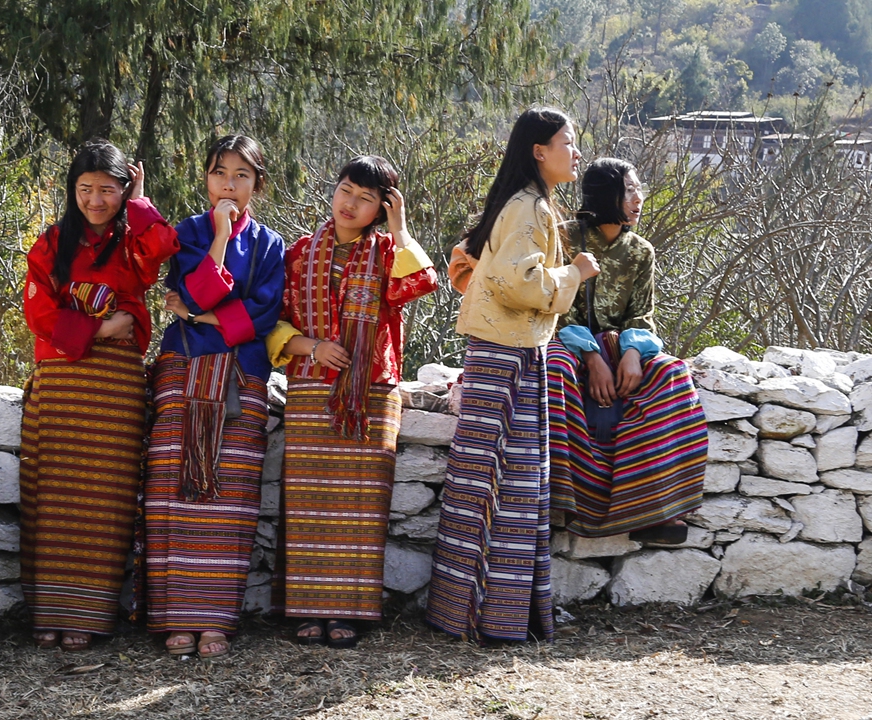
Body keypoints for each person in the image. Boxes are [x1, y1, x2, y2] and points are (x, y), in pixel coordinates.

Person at [427, 107, 599, 644]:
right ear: (539, 151)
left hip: (502, 353)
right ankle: (491, 617)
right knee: (509, 485)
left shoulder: (524, 203)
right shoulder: (530, 207)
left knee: (487, 481)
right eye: (567, 141)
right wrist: (575, 272)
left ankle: (471, 613)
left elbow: (480, 267)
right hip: (509, 356)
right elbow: (519, 283)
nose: (576, 152)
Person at [266, 155, 438, 648]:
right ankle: (307, 608)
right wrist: (313, 347)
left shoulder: (387, 252)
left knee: (362, 503)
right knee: (310, 503)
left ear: (381, 209)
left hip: (371, 391)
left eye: (366, 198)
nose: (351, 203)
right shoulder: (299, 252)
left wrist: (400, 229)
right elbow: (274, 319)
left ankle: (350, 610)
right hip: (309, 385)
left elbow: (421, 283)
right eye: (346, 190)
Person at [20, 140, 179, 651]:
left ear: (123, 190)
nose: (95, 200)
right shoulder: (51, 243)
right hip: (62, 382)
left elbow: (162, 249)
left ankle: (89, 615)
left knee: (105, 499)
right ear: (72, 190)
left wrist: (141, 201)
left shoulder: (132, 242)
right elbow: (38, 314)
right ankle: (49, 611)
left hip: (115, 387)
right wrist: (103, 327)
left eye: (108, 190)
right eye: (85, 188)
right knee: (54, 497)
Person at [144, 135, 285, 658]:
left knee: (230, 499)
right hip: (182, 370)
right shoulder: (187, 233)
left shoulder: (271, 246)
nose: (229, 184)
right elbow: (197, 289)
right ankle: (175, 619)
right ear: (206, 178)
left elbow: (262, 317)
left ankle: (215, 619)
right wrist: (221, 238)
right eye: (219, 173)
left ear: (257, 185)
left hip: (243, 378)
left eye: (241, 175)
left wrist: (200, 316)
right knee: (172, 491)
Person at [547, 158, 707, 542]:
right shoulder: (562, 238)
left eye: (639, 190)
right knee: (553, 371)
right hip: (566, 344)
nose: (638, 199)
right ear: (606, 195)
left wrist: (633, 353)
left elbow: (642, 314)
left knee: (672, 373)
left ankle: (656, 510)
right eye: (629, 190)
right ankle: (559, 503)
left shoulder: (640, 251)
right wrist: (592, 358)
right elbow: (556, 308)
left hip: (620, 348)